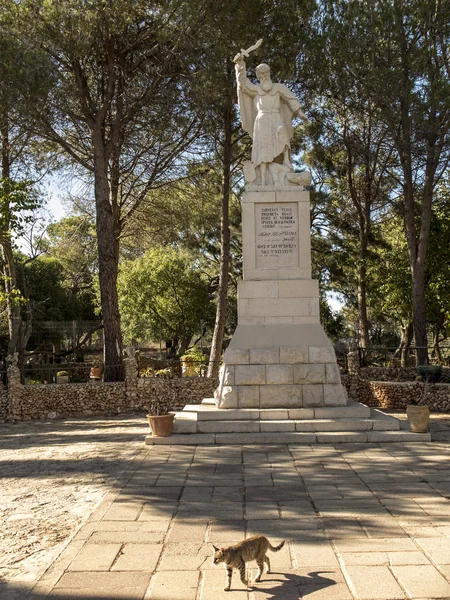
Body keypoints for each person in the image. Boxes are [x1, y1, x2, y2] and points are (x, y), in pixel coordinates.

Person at [235, 56, 308, 185]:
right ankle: (262, 181)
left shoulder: (279, 87)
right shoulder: (256, 89)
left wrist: (300, 112)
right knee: (263, 150)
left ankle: (286, 160)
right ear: (258, 76)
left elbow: (290, 98)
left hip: (275, 117)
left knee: (282, 133)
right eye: (261, 74)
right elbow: (243, 85)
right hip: (261, 120)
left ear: (269, 73)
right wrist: (240, 65)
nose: (264, 76)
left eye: (266, 72)